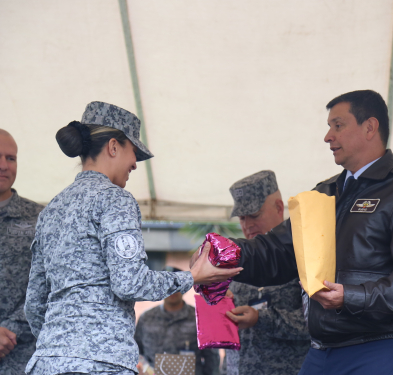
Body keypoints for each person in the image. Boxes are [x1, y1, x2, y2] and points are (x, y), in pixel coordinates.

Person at [202, 90, 393, 375]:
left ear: (370, 127)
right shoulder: (324, 193)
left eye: (337, 125)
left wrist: (352, 296)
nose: (328, 136)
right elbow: (280, 251)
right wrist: (225, 252)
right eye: (329, 127)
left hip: (380, 349)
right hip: (322, 351)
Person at [24, 102, 241, 375]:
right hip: (101, 364)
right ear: (113, 147)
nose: (135, 164)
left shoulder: (51, 210)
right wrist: (192, 276)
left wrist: (59, 344)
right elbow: (129, 283)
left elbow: (34, 303)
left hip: (47, 362)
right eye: (133, 152)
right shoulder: (115, 199)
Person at [224, 170, 310, 375]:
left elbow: (316, 324)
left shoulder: (304, 257)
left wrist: (261, 318)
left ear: (279, 207)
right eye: (242, 218)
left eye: (254, 215)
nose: (247, 225)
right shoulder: (238, 261)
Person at [0, 129, 44, 375]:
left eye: (11, 158)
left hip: (23, 357)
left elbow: (51, 283)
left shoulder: (41, 218)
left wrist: (10, 329)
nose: (3, 166)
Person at [135, 266, 220, 375]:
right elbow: (136, 352)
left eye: (177, 286)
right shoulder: (146, 318)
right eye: (168, 286)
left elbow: (212, 357)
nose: (172, 291)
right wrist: (145, 369)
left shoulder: (199, 318)